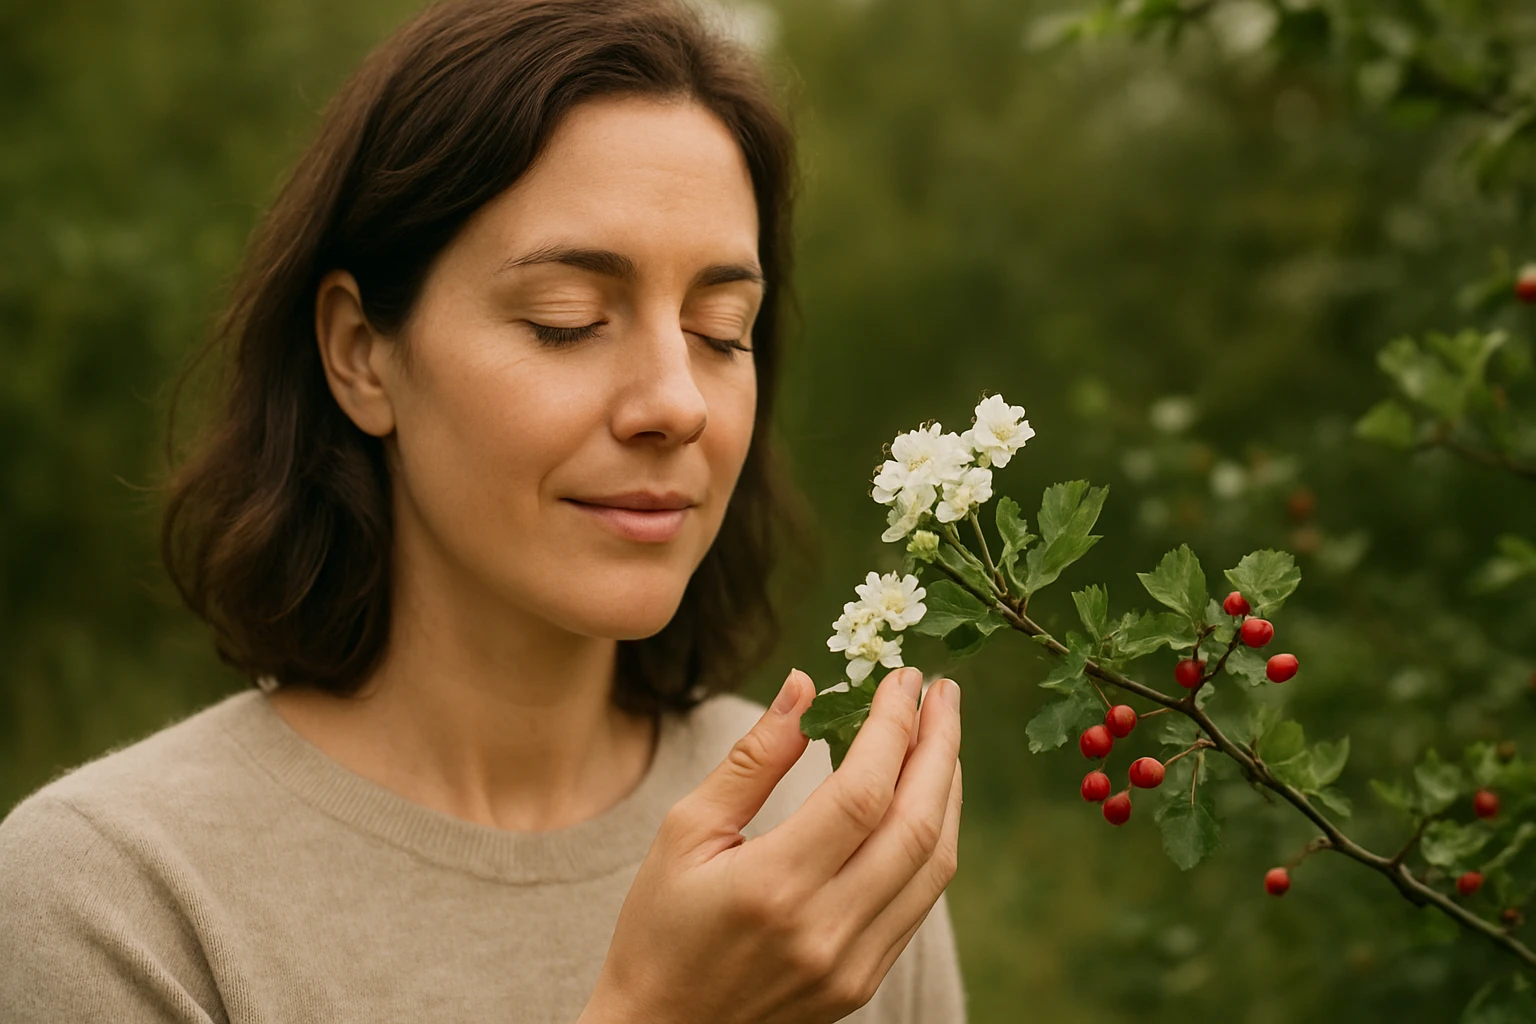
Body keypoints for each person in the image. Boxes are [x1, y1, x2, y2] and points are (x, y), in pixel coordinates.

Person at [0, 0, 966, 1020]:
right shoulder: (109, 896)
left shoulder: (823, 841)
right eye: (569, 321)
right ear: (360, 353)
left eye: (720, 331)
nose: (676, 402)